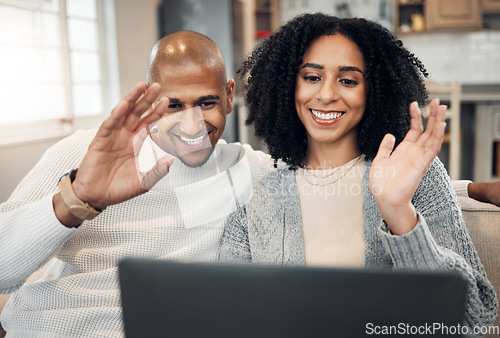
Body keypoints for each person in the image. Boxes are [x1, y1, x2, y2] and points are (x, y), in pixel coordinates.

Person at [220, 13, 498, 332]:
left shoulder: (416, 178)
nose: (326, 94)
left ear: (374, 91)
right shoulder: (254, 202)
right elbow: (233, 316)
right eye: (311, 77)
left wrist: (399, 213)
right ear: (286, 85)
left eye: (348, 80)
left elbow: (472, 318)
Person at [0, 31, 272, 336]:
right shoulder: (85, 151)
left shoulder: (250, 169)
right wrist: (76, 199)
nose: (192, 124)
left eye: (206, 103)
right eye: (173, 106)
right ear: (152, 101)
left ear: (228, 95)